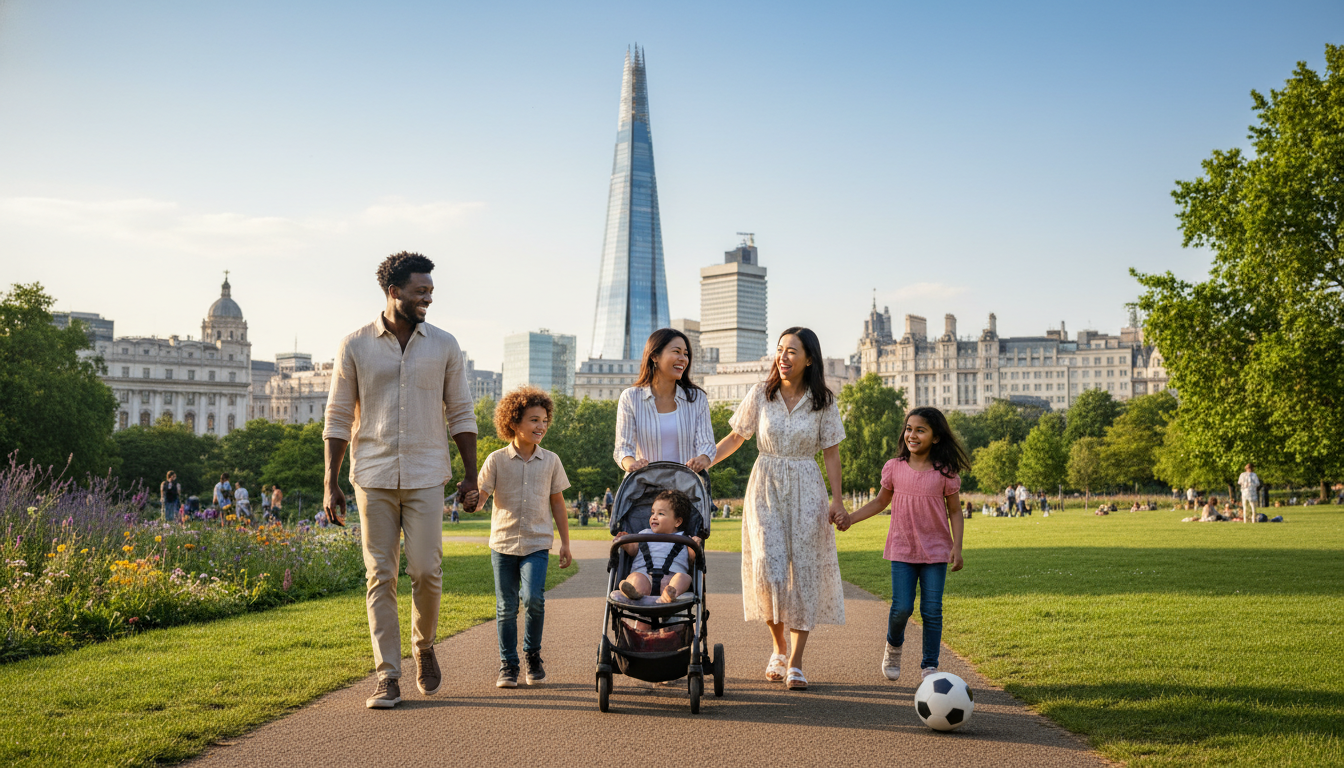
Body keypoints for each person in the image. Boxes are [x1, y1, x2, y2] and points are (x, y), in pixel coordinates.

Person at [322, 251, 479, 710]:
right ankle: (387, 676)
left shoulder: (445, 345)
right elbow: (336, 416)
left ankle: (424, 646)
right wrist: (330, 482)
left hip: (428, 472)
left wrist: (471, 475)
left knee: (426, 571)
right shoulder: (354, 345)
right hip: (371, 473)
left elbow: (461, 412)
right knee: (380, 575)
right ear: (394, 292)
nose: (428, 297)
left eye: (430, 290)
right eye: (420, 291)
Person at [711, 327, 846, 692]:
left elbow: (831, 451)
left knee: (802, 572)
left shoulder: (824, 402)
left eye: (792, 351)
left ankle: (797, 661)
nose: (783, 356)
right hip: (765, 483)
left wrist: (837, 499)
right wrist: (706, 460)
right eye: (780, 349)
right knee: (768, 567)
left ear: (809, 359)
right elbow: (737, 436)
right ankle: (778, 647)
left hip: (806, 484)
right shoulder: (760, 393)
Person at [837, 406, 969, 682]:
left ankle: (929, 666)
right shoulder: (894, 468)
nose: (912, 434)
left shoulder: (945, 472)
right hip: (902, 549)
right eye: (909, 429)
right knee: (901, 608)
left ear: (935, 437)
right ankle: (893, 647)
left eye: (920, 430)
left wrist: (957, 546)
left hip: (935, 551)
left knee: (932, 610)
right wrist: (850, 518)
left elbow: (955, 511)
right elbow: (880, 502)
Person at [472, 386, 572, 689]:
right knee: (506, 607)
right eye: (533, 420)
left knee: (533, 600)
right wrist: (471, 500)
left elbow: (557, 502)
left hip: (537, 543)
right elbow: (481, 497)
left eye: (544, 420)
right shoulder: (496, 460)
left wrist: (566, 543)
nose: (540, 426)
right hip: (503, 544)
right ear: (514, 423)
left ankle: (532, 655)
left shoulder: (552, 461)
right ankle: (508, 665)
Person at [614, 328, 717, 479]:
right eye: (677, 351)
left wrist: (703, 459)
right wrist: (631, 464)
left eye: (686, 354)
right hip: (645, 490)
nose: (683, 359)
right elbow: (623, 448)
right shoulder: (630, 397)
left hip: (687, 490)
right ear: (654, 356)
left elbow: (707, 445)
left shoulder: (697, 398)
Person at [612, 489, 701, 604]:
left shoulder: (685, 539)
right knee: (636, 577)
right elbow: (633, 549)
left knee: (684, 578)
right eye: (652, 512)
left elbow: (693, 557)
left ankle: (669, 595)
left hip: (671, 580)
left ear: (677, 522)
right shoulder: (643, 534)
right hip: (644, 577)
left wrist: (696, 544)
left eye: (660, 514)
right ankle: (633, 591)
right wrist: (624, 542)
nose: (654, 517)